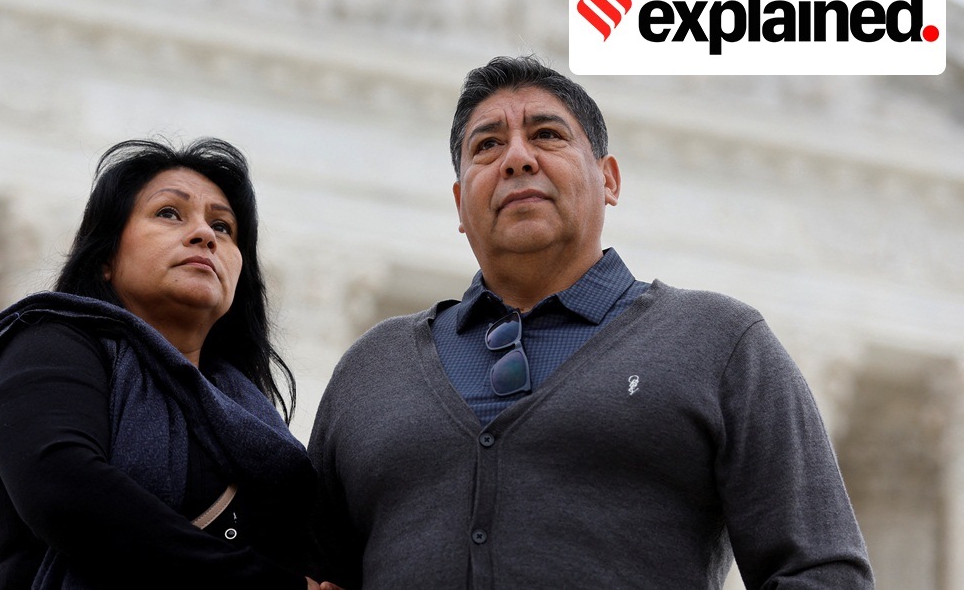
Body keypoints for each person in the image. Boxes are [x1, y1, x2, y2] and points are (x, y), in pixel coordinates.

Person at [308, 56, 874, 589]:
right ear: (460, 204)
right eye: (488, 145)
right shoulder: (371, 369)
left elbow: (821, 570)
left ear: (610, 180)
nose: (517, 158)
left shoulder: (720, 344)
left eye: (547, 135)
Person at [0, 138, 339, 589]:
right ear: (105, 257)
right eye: (168, 213)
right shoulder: (47, 343)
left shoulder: (251, 416)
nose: (204, 235)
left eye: (223, 227)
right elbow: (65, 490)